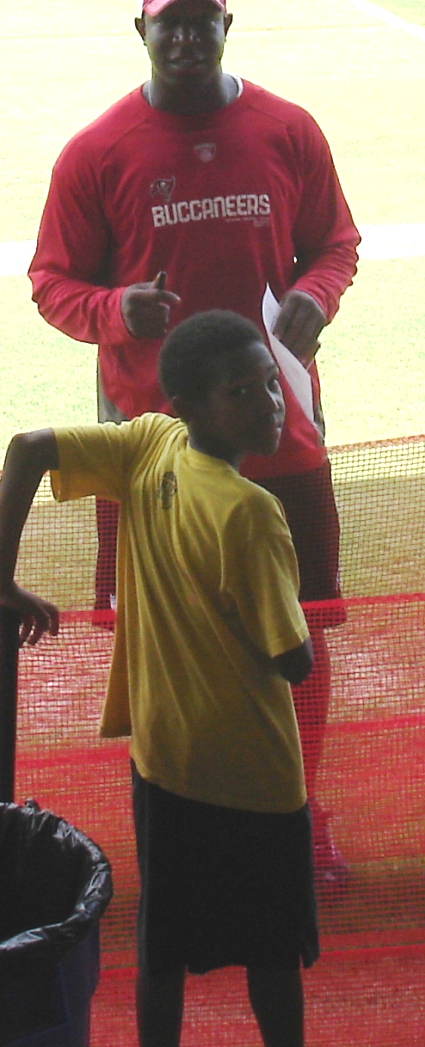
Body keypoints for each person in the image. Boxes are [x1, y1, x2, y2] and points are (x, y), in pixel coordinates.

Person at [28, 0, 361, 885]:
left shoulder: (287, 130)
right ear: (142, 32)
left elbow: (334, 241)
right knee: (165, 640)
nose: (184, 34)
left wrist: (315, 295)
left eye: (200, 17)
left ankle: (298, 810)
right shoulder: (95, 153)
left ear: (225, 26)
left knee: (300, 625)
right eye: (167, 20)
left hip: (281, 432)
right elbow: (50, 280)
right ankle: (184, 818)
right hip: (153, 453)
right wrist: (112, 310)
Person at [0, 310, 319, 1047]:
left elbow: (27, 448)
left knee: (162, 948)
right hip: (256, 780)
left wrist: (3, 578)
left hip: (164, 765)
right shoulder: (251, 513)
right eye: (241, 391)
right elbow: (292, 659)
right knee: (271, 952)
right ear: (190, 407)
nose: (268, 403)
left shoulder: (150, 442)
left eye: (270, 383)